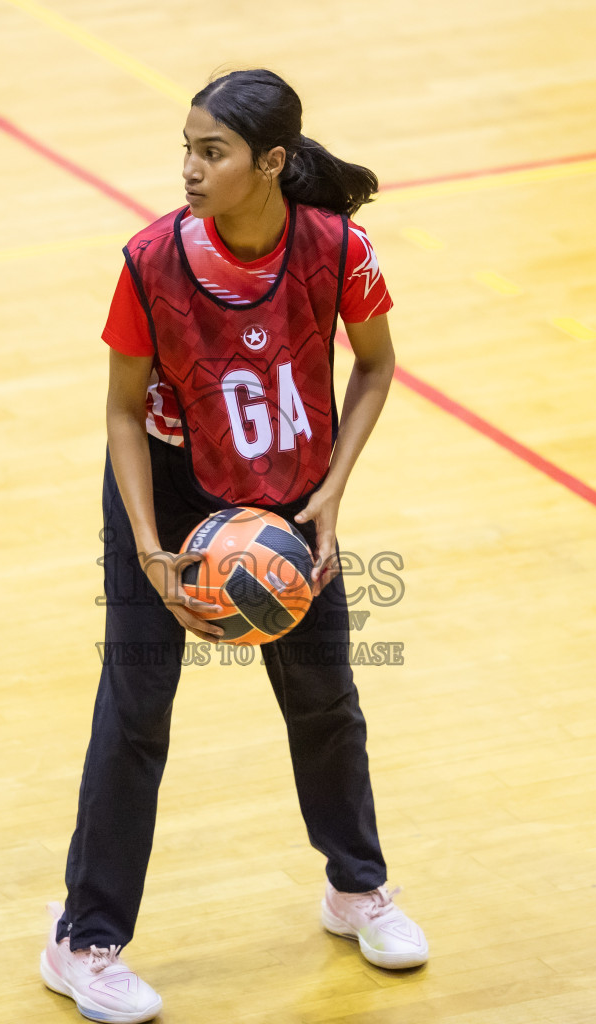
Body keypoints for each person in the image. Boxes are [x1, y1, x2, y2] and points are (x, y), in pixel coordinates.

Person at [39, 70, 427, 1023]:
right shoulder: (150, 261)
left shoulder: (337, 248)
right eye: (187, 148)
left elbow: (375, 368)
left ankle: (356, 888)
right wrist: (145, 545)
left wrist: (333, 494)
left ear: (272, 163)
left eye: (211, 152)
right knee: (135, 712)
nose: (189, 169)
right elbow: (123, 416)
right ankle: (83, 942)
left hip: (289, 497)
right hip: (167, 491)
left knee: (327, 697)